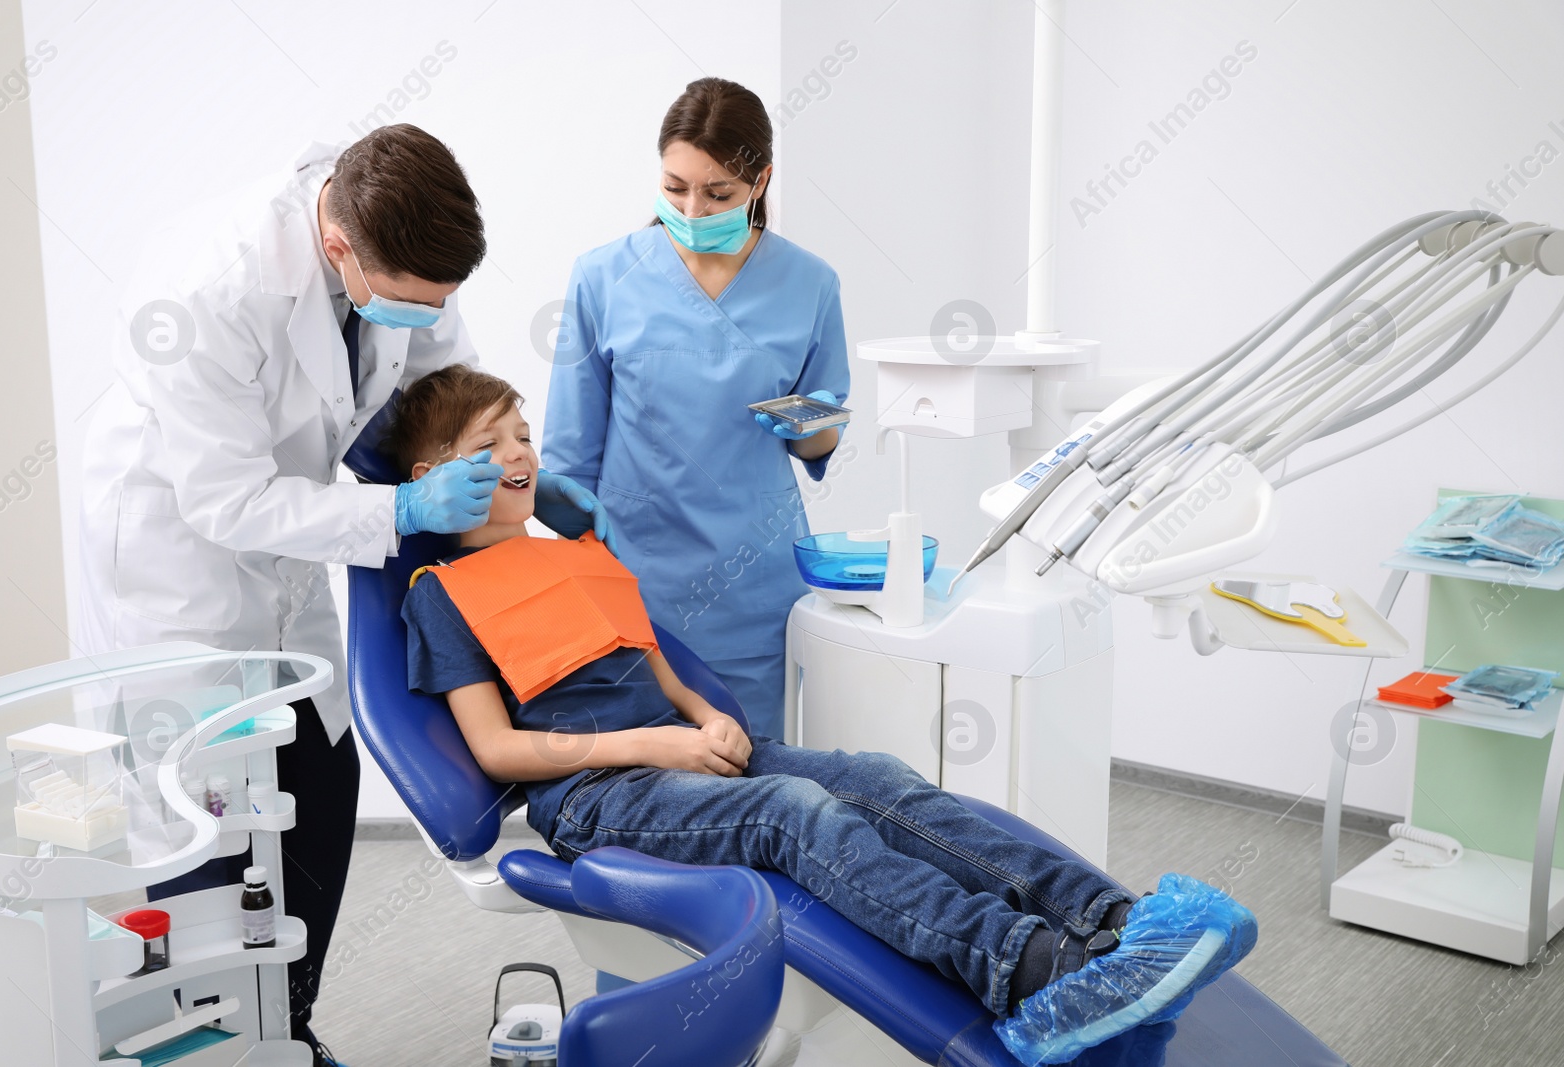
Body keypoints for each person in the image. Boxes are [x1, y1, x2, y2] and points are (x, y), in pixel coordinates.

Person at [392, 366, 1259, 1064]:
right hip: (597, 794)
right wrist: (660, 740)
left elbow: (648, 654)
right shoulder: (445, 594)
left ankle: (1115, 924)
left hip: (681, 747)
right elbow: (497, 748)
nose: (520, 452)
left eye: (524, 434)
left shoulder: (575, 552)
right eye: (489, 442)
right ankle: (1033, 972)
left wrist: (701, 713)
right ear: (432, 479)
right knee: (794, 813)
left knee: (877, 779)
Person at [77, 126, 611, 1067]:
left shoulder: (398, 248)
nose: (430, 315)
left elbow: (443, 388)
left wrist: (519, 472)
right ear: (338, 247)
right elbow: (223, 499)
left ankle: (287, 1025)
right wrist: (403, 505)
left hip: (287, 567)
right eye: (413, 302)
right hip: (183, 581)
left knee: (320, 784)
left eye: (441, 299)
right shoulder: (209, 289)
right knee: (209, 836)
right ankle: (219, 1043)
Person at [543, 77, 849, 740]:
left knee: (753, 780)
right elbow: (569, 457)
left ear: (760, 181)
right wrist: (582, 583)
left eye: (719, 195)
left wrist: (815, 423)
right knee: (647, 788)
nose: (693, 208)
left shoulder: (810, 284)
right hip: (633, 581)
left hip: (754, 588)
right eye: (675, 187)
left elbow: (819, 442)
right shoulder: (603, 277)